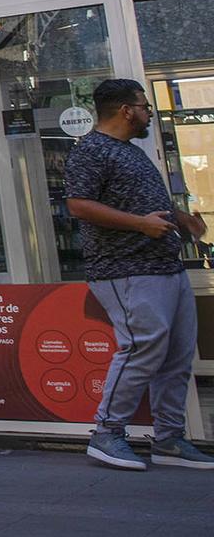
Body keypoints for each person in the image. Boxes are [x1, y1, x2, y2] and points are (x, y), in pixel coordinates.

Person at [66, 78, 214, 471]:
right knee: (142, 349)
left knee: (177, 356)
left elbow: (145, 207)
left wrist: (180, 220)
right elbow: (79, 205)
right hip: (126, 270)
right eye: (144, 106)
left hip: (166, 267)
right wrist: (139, 224)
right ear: (126, 110)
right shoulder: (92, 151)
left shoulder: (129, 151)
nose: (149, 112)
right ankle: (107, 433)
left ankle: (169, 439)